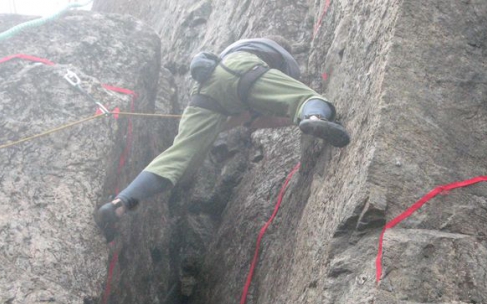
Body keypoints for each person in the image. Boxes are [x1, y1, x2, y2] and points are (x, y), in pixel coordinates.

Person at [96, 36, 350, 242]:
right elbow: (278, 103)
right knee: (305, 99)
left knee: (178, 158)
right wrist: (299, 117)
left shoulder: (238, 46)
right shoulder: (281, 58)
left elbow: (244, 120)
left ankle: (121, 202)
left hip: (206, 89)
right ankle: (317, 118)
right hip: (244, 71)